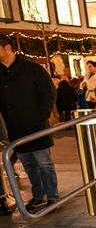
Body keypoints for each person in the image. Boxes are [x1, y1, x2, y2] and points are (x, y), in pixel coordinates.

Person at [0, 34, 60, 212]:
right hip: (14, 129)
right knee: (28, 165)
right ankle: (38, 195)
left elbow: (49, 93)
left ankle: (52, 197)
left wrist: (40, 117)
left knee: (44, 164)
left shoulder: (32, 69)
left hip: (36, 127)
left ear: (7, 48)